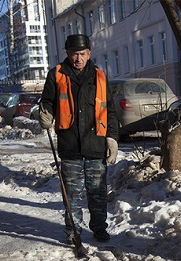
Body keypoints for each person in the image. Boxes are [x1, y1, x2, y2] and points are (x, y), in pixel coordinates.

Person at [39, 34, 118, 243]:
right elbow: (47, 101)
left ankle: (99, 228)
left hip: (95, 143)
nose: (78, 58)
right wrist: (45, 113)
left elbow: (109, 110)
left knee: (97, 192)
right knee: (72, 194)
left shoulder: (99, 76)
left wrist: (112, 138)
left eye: (82, 54)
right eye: (74, 54)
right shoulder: (56, 74)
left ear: (89, 54)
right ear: (68, 53)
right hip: (70, 144)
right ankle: (73, 231)